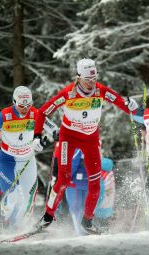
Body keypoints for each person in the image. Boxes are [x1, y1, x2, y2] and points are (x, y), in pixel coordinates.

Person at [34, 58, 139, 234]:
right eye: (87, 79)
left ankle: (87, 221)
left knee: (95, 182)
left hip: (90, 138)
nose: (92, 83)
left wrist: (131, 106)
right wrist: (37, 136)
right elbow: (43, 111)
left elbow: (122, 103)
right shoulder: (69, 93)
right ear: (78, 77)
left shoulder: (100, 90)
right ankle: (47, 217)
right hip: (69, 137)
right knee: (63, 180)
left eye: (94, 78)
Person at [0, 86, 58, 230]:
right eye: (22, 105)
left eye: (29, 105)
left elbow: (53, 128)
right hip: (8, 160)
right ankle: (4, 223)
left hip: (28, 160)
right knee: (12, 196)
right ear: (14, 102)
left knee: (29, 198)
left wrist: (55, 134)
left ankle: (20, 228)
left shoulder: (35, 113)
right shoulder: (5, 115)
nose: (25, 109)